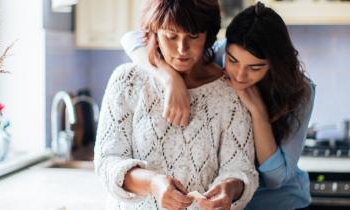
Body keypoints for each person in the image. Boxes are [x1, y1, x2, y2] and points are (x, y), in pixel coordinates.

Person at [120, 2, 315, 210]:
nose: (239, 75)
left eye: (255, 68)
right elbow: (133, 38)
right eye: (232, 60)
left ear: (274, 64)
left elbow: (276, 179)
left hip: (277, 203)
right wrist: (169, 78)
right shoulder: (216, 55)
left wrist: (258, 112)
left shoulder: (300, 91)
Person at [94, 0, 259, 210]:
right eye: (171, 36)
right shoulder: (127, 81)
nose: (182, 49)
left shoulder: (229, 92)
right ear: (154, 33)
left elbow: (241, 169)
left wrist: (228, 190)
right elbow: (108, 161)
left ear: (208, 35)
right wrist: (153, 183)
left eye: (193, 36)